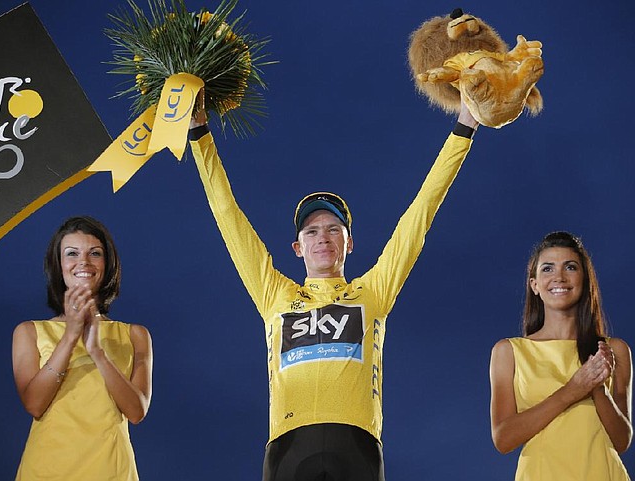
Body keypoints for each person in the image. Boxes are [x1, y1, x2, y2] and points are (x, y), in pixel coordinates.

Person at [189, 90, 479, 480]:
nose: (322, 237)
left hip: (356, 444)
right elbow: (227, 213)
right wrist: (198, 133)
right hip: (288, 446)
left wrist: (465, 126)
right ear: (297, 247)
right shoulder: (275, 294)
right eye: (311, 231)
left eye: (332, 229)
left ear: (349, 243)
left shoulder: (372, 292)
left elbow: (421, 212)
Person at [12, 216, 153, 481]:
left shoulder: (135, 334)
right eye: (72, 253)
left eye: (95, 253)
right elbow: (34, 404)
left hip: (112, 470)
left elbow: (136, 412)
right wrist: (70, 336)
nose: (84, 262)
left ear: (107, 264)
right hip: (46, 470)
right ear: (59, 265)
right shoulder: (28, 331)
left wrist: (97, 352)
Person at [489, 231, 632, 481]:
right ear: (534, 285)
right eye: (547, 269)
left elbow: (621, 440)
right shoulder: (509, 352)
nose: (559, 277)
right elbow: (503, 438)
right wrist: (574, 389)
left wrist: (598, 387)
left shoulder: (614, 350)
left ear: (584, 279)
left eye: (570, 267)